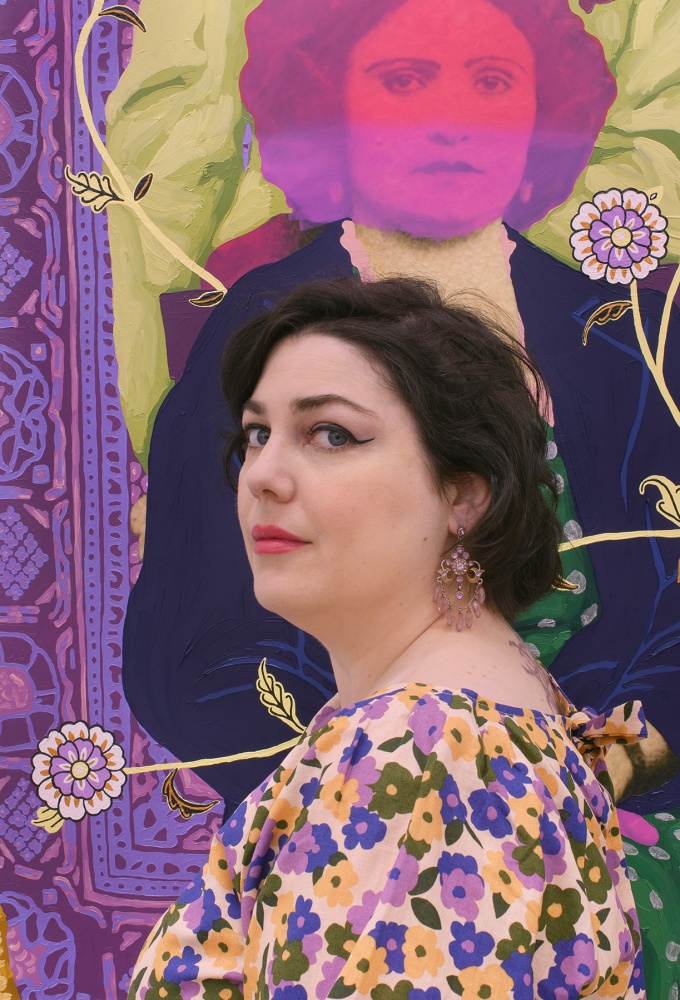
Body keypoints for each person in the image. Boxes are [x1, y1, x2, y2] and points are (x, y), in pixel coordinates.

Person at [123, 0, 680, 818]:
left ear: (542, 116)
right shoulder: (258, 326)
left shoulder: (632, 336)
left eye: (492, 82)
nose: (453, 120)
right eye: (405, 80)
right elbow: (190, 648)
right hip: (356, 829)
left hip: (597, 816)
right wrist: (383, 793)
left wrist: (601, 769)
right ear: (327, 109)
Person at [127, 276, 646, 999]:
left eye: (331, 434)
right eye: (257, 433)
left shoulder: (423, 757)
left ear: (464, 494)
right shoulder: (468, 717)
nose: (264, 475)